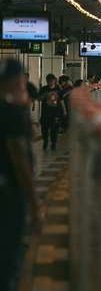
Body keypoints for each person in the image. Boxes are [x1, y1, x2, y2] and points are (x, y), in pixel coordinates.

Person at [0, 59, 41, 291]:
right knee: (10, 254)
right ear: (18, 81)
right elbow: (20, 162)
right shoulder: (13, 113)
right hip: (9, 195)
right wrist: (35, 205)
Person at [39, 74, 66, 151]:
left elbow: (61, 100)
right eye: (48, 80)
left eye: (51, 80)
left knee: (54, 129)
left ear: (54, 80)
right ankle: (45, 141)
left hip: (55, 112)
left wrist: (64, 111)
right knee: (44, 128)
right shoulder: (44, 89)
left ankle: (53, 143)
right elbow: (39, 99)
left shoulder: (58, 89)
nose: (50, 82)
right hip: (45, 112)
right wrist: (45, 95)